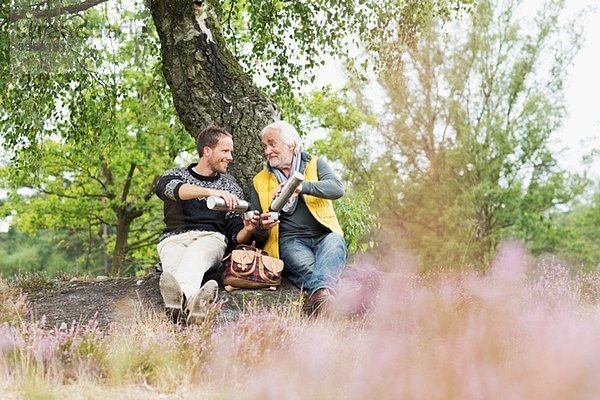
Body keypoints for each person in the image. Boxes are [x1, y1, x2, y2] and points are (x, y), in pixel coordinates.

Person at [155, 125, 258, 323]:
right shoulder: (175, 175)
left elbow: (235, 235)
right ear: (207, 151)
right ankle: (195, 305)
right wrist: (211, 192)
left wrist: (248, 229)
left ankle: (179, 306)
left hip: (210, 238)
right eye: (225, 151)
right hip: (173, 239)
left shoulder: (230, 187)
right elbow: (173, 191)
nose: (230, 157)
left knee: (195, 255)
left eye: (231, 152)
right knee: (172, 272)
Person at [250, 120, 348, 316]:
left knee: (336, 241)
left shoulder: (315, 163)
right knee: (321, 272)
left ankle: (318, 298)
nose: (267, 151)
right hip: (289, 241)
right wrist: (263, 225)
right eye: (264, 146)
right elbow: (258, 233)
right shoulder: (259, 180)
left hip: (324, 235)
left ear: (291, 145)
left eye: (272, 144)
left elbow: (337, 188)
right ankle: (325, 296)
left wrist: (301, 187)